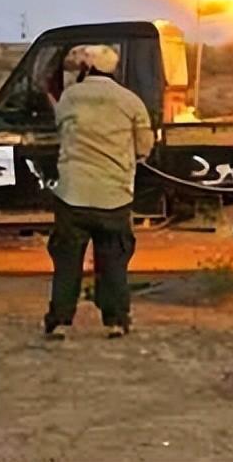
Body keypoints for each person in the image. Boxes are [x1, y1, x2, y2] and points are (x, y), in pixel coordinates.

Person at [44, 45, 155, 340]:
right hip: (114, 196)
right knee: (114, 262)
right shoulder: (130, 101)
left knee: (67, 262)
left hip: (72, 195)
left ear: (87, 68)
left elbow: (61, 129)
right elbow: (144, 147)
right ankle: (116, 321)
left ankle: (60, 322)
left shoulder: (70, 97)